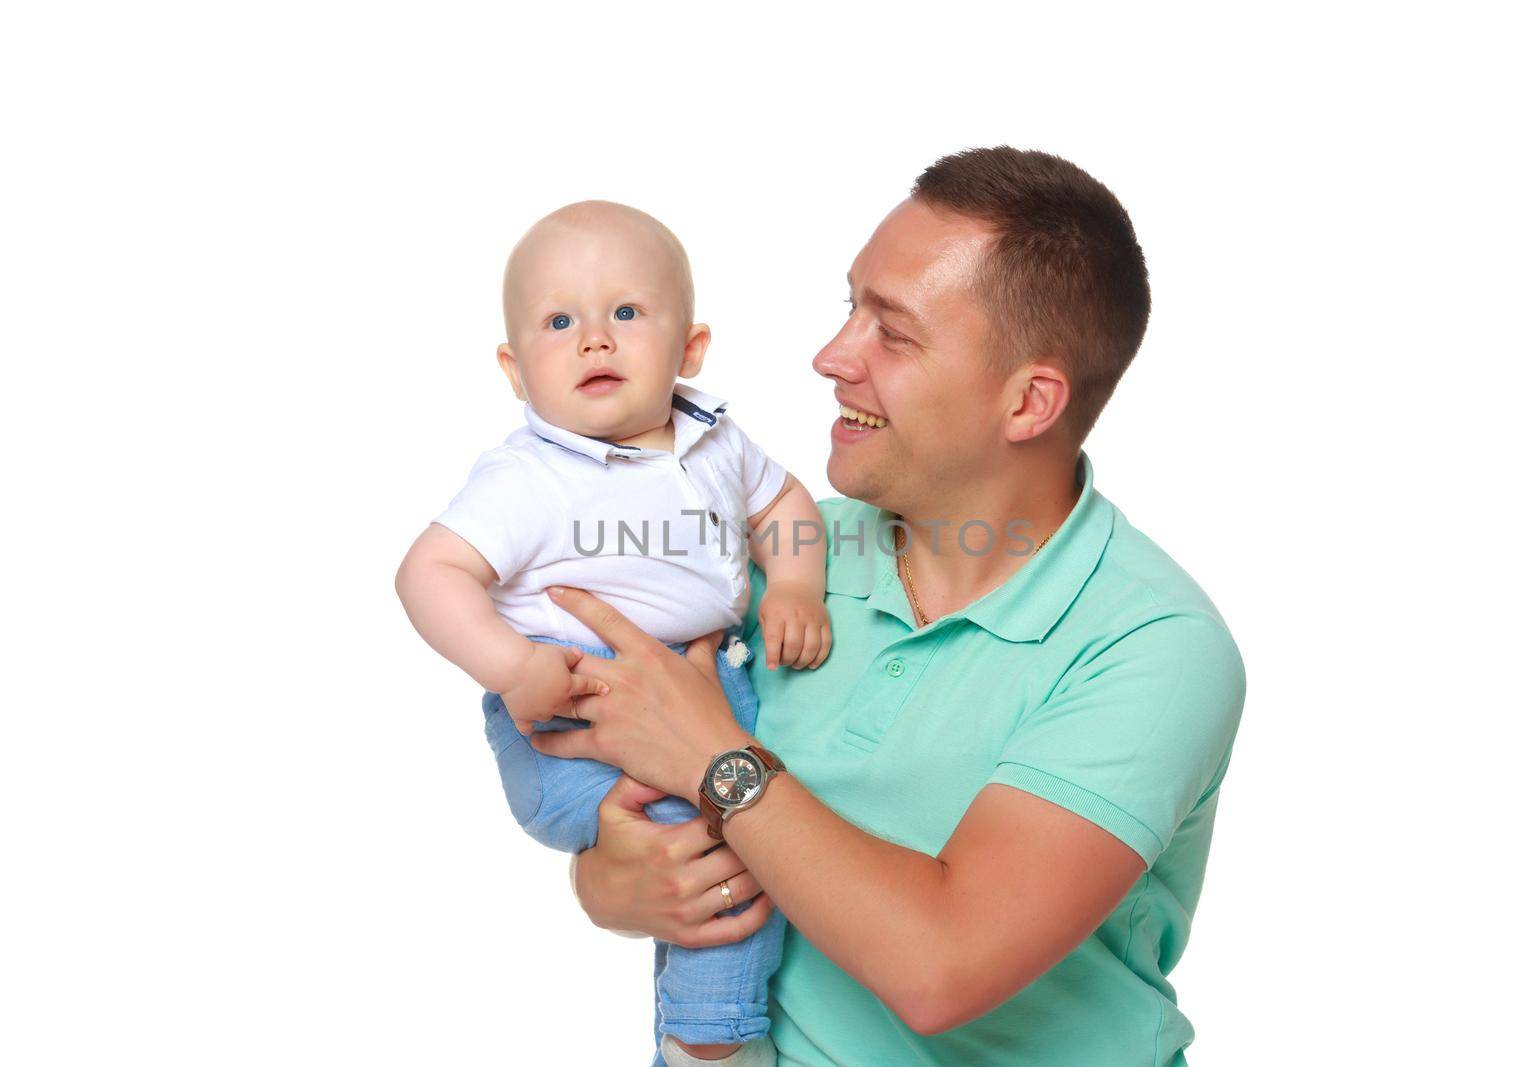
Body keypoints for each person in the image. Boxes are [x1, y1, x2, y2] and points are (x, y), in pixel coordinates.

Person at [528, 147, 1248, 1066]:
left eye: (894, 334)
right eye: (849, 308)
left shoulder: (1152, 647)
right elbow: (632, 814)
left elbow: (939, 964)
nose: (832, 358)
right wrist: (611, 881)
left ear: (1029, 401)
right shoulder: (775, 553)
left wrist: (716, 756)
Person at [393, 201, 833, 1067]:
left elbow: (785, 504)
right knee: (724, 855)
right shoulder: (528, 476)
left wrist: (794, 584)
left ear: (690, 349)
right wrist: (516, 665)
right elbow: (428, 574)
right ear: (516, 371)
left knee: (757, 831)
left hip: (709, 686)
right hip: (575, 709)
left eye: (625, 313)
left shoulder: (716, 436)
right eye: (560, 322)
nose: (594, 339)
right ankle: (712, 1043)